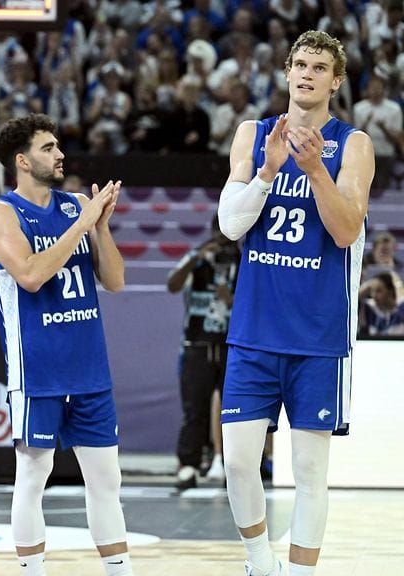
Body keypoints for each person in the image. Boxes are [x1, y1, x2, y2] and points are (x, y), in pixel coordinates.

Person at [217, 30, 374, 576]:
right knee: (237, 461)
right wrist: (266, 172)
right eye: (300, 64)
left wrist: (312, 172)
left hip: (317, 335)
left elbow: (347, 230)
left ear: (336, 81)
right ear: (286, 72)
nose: (307, 73)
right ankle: (261, 563)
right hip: (256, 329)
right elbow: (230, 224)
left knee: (309, 470)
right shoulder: (253, 133)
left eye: (319, 67)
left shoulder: (353, 144)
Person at [0, 114, 134, 576]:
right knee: (33, 476)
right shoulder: (1, 213)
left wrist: (100, 227)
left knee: (107, 481)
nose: (60, 154)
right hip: (38, 369)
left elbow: (114, 281)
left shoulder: (75, 207)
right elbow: (29, 275)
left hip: (88, 365)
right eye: (48, 148)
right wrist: (81, 224)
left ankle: (119, 571)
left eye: (58, 146)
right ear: (23, 160)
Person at [166, 214, 240, 489]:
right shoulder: (197, 258)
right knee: (194, 408)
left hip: (231, 345)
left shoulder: (243, 261)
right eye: (218, 230)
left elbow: (254, 303)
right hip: (196, 344)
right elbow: (172, 284)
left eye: (227, 231)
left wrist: (229, 299)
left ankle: (234, 464)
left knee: (236, 410)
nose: (222, 237)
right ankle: (188, 465)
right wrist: (196, 258)